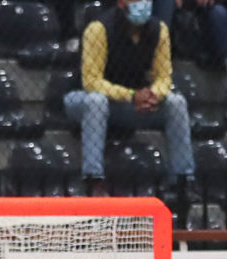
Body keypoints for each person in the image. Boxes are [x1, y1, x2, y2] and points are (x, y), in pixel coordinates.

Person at [63, 0, 195, 196]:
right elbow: (92, 82)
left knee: (176, 103)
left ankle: (183, 180)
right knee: (96, 101)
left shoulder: (160, 30)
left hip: (132, 103)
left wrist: (154, 95)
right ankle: (93, 179)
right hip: (84, 100)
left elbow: (163, 77)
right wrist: (131, 95)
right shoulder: (98, 29)